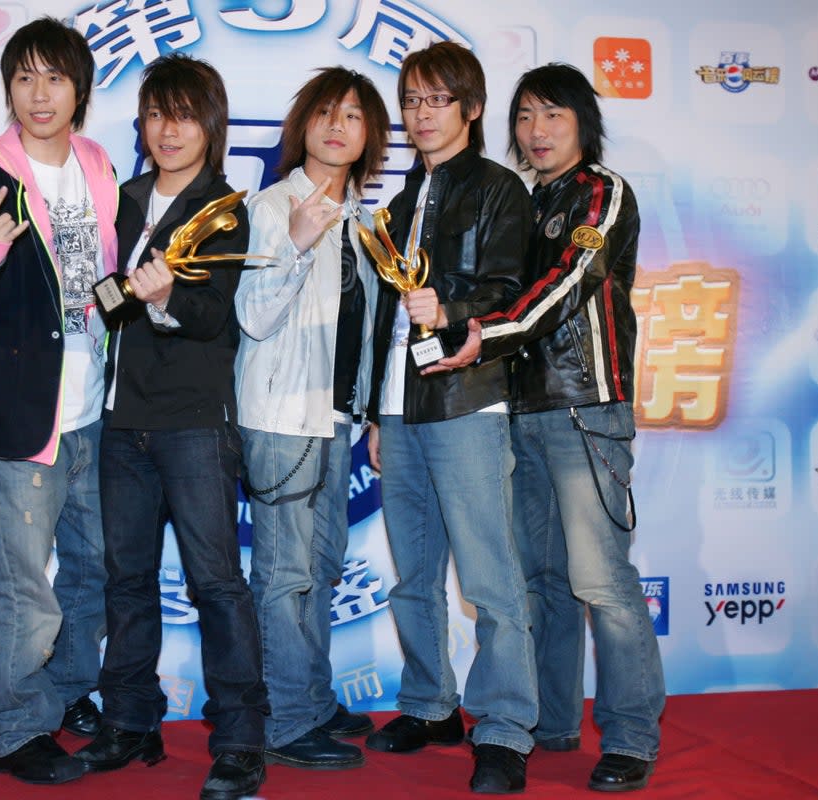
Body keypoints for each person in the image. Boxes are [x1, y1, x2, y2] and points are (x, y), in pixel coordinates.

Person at [426, 62, 666, 792]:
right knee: (539, 583)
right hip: (519, 411)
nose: (537, 132)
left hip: (585, 407)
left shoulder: (603, 191)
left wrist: (478, 333)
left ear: (581, 124)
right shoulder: (521, 199)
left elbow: (563, 289)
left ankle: (630, 737)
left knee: (601, 581)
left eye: (553, 116)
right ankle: (553, 722)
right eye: (526, 117)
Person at [71, 53, 269, 800]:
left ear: (210, 127)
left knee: (217, 583)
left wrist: (161, 297)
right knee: (126, 583)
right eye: (156, 115)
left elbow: (213, 313)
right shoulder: (121, 199)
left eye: (184, 116)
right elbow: (104, 296)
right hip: (121, 424)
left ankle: (242, 736)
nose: (168, 130)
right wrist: (128, 292)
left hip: (193, 423)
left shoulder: (224, 207)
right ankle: (129, 720)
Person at [0, 16, 112, 785]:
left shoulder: (101, 168)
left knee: (91, 573)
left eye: (56, 78)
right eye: (25, 78)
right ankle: (13, 729)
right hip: (21, 420)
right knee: (18, 586)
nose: (39, 95)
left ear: (80, 90)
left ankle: (69, 695)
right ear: (8, 87)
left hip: (98, 413)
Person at [361, 41, 539, 794]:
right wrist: (375, 411)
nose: (422, 113)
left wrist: (454, 306)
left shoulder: (500, 189)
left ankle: (503, 728)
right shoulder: (399, 204)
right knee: (414, 575)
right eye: (412, 100)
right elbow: (383, 321)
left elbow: (513, 290)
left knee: (491, 579)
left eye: (438, 99)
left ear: (470, 108)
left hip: (468, 400)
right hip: (400, 410)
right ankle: (431, 703)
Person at [234, 67, 389, 771]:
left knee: (321, 566)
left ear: (369, 137)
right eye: (325, 112)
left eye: (353, 117)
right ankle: (290, 720)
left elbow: (367, 333)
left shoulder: (363, 221)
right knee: (285, 572)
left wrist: (372, 412)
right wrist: (295, 242)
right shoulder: (270, 206)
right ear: (302, 125)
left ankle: (313, 696)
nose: (337, 126)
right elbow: (252, 316)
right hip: (278, 415)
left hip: (335, 418)